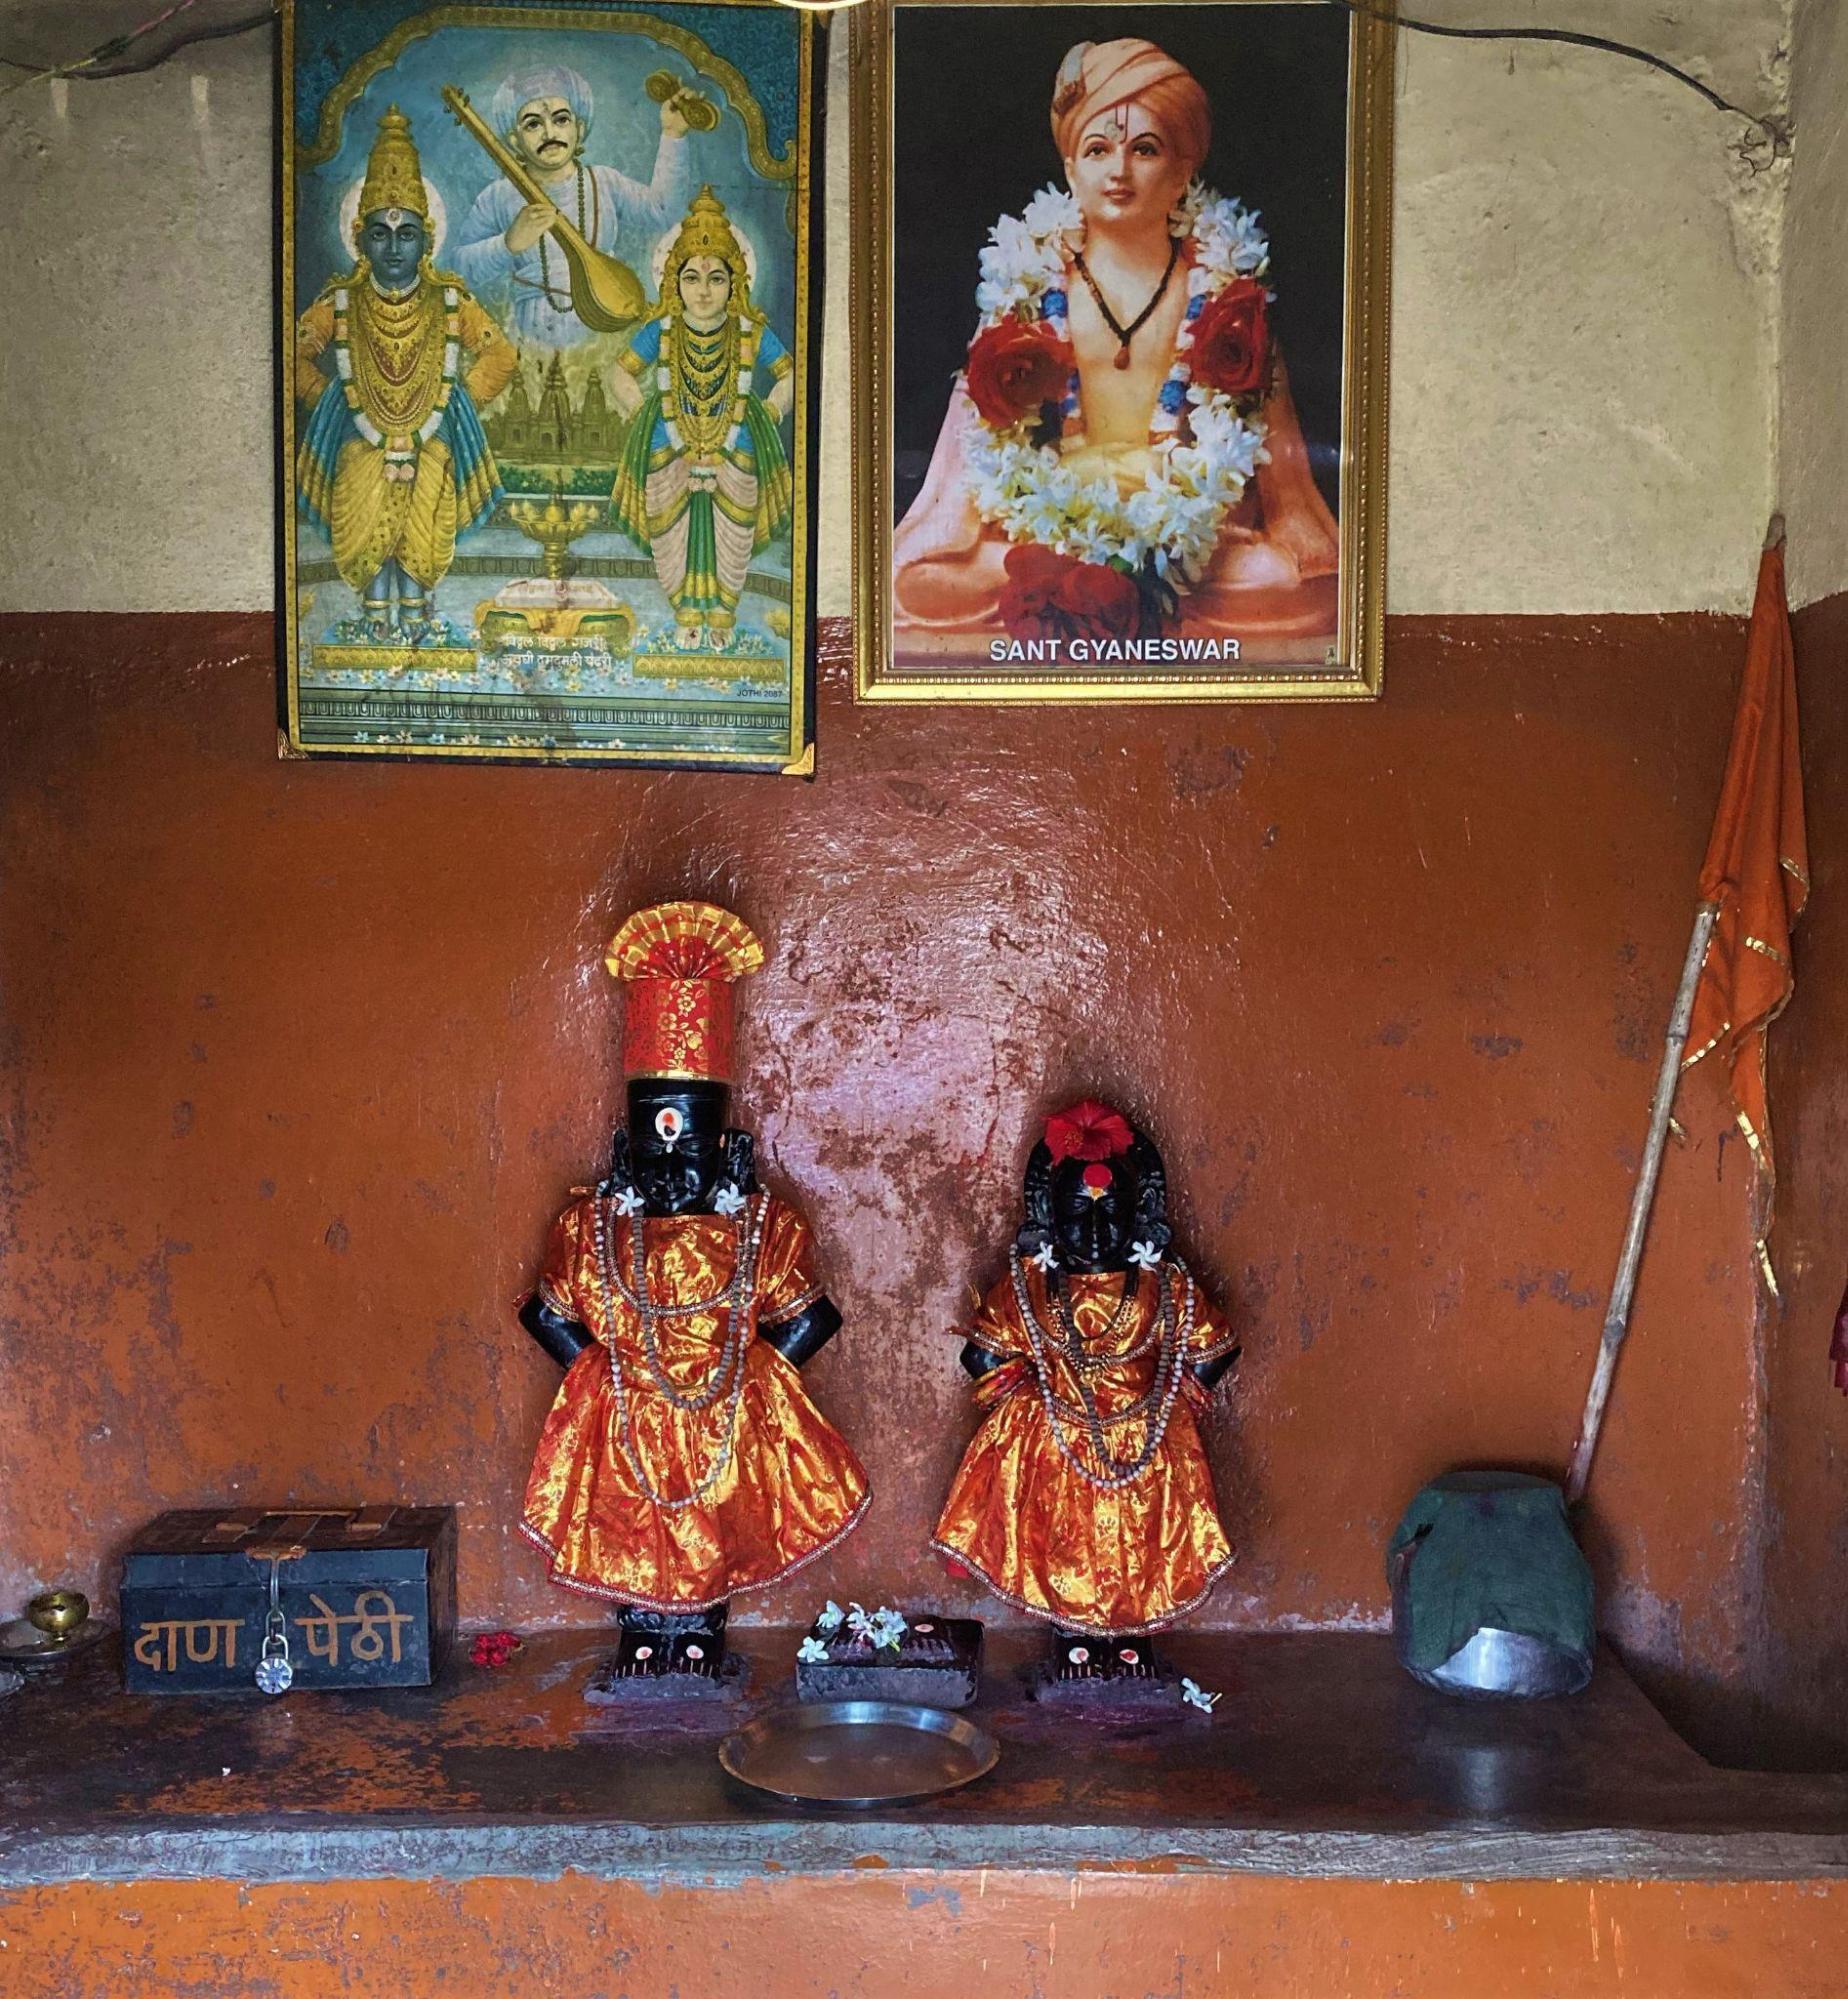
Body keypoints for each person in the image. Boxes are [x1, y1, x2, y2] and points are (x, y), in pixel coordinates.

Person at [893, 39, 1339, 653]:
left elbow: (1282, 472)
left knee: (1292, 583)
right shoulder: (1029, 282)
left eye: (1145, 149)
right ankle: (1092, 591)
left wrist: (1185, 529)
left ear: (1184, 169)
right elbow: (967, 454)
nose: (1119, 171)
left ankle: (1103, 594)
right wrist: (1050, 536)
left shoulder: (1223, 290)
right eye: (1098, 150)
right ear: (1071, 170)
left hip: (1189, 537)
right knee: (924, 582)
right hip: (1048, 529)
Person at [519, 902, 868, 1681]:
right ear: (627, 1138)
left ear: (726, 1143)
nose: (672, 1156)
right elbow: (545, 1312)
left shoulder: (763, 1225)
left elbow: (813, 1316)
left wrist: (752, 1380)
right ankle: (640, 1632)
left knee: (717, 1527)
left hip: (727, 1415)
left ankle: (705, 1625)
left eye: (692, 1141)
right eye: (654, 1135)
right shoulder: (592, 1226)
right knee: (631, 1530)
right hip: (624, 1415)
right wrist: (600, 1375)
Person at [933, 1100, 1239, 1653]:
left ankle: (1132, 1639)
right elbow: (981, 1357)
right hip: (1055, 1439)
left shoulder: (1161, 1283)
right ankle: (1068, 1636)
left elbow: (1216, 1346)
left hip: (1144, 1442)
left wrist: (1171, 1396)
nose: (1095, 1229)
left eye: (1111, 1212)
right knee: (1061, 1543)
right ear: (1049, 1215)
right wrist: (1036, 1401)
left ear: (1139, 1214)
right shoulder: (1030, 1286)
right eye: (1076, 1212)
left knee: (1143, 1546)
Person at [294, 106, 515, 639]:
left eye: (407, 234)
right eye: (381, 233)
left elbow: (501, 356)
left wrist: (454, 401)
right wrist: (332, 400)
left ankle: (416, 620)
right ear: (360, 236)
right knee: (360, 467)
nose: (394, 248)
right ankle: (373, 621)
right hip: (359, 440)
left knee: (429, 475)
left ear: (428, 237)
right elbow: (293, 357)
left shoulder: (452, 301)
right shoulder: (341, 302)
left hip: (431, 439)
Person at [607, 188, 794, 649]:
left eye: (715, 278)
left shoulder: (750, 332)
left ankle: (725, 613)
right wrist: (637, 408)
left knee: (732, 530)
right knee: (673, 532)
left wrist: (770, 408)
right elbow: (620, 372)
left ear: (735, 284)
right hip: (666, 445)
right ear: (674, 283)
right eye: (692, 278)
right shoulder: (661, 331)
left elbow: (791, 374)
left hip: (739, 444)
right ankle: (685, 611)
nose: (704, 290)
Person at [451, 63, 695, 349]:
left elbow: (665, 212)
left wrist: (673, 134)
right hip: (530, 345)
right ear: (514, 141)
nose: (549, 132)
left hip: (604, 336)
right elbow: (459, 269)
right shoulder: (497, 197)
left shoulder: (604, 181)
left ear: (579, 129)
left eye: (561, 119)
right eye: (533, 124)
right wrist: (508, 244)